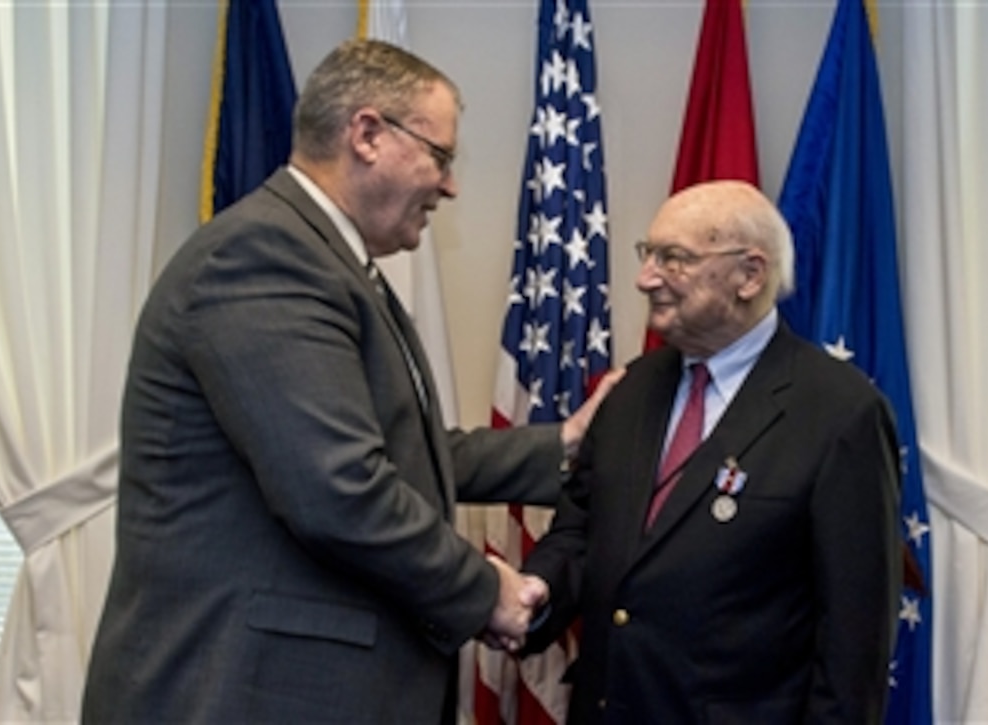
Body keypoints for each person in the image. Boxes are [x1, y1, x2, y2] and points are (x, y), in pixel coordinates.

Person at [82, 39, 617, 724]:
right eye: (441, 156)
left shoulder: (327, 261)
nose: (449, 185)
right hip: (242, 695)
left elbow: (402, 453)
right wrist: (486, 590)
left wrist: (564, 445)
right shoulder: (264, 257)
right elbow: (338, 488)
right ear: (366, 134)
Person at [521, 180, 901, 724]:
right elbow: (581, 530)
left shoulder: (840, 414)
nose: (645, 277)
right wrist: (533, 595)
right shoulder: (631, 389)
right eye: (648, 254)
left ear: (750, 274)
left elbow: (853, 641)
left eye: (673, 259)